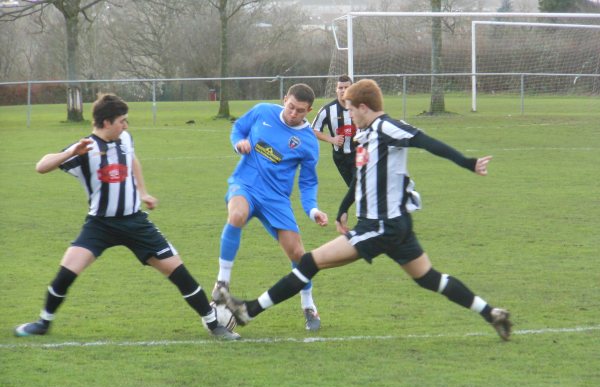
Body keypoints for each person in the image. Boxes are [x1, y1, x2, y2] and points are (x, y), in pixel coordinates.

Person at [216, 79, 513, 341]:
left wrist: (468, 162)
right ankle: (492, 313)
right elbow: (362, 175)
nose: (349, 116)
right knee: (428, 278)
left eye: (350, 109)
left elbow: (425, 141)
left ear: (363, 106)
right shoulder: (368, 134)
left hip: (379, 226)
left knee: (308, 262)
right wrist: (344, 208)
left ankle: (248, 311)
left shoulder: (386, 127)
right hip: (396, 227)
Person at [14, 93, 240, 340]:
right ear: (106, 122)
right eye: (122, 120)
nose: (126, 125)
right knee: (66, 272)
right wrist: (69, 153)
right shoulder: (85, 149)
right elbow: (41, 166)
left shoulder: (125, 139)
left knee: (177, 271)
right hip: (99, 225)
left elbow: (132, 160)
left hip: (135, 222)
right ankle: (43, 323)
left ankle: (213, 325)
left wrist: (143, 192)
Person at [211, 83, 328, 331]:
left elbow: (308, 183)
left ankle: (308, 304)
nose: (293, 113)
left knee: (298, 254)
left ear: (309, 110)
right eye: (291, 107)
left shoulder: (308, 143)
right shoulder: (262, 111)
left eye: (300, 111)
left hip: (276, 199)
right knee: (237, 214)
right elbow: (238, 128)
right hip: (246, 184)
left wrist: (313, 210)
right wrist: (239, 143)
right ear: (284, 99)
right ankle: (222, 283)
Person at [312, 75, 357, 186]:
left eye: (346, 87)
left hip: (359, 153)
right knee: (355, 190)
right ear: (336, 90)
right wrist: (331, 139)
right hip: (341, 158)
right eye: (340, 88)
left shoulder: (361, 106)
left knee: (360, 187)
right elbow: (313, 130)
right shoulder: (327, 110)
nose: (343, 90)